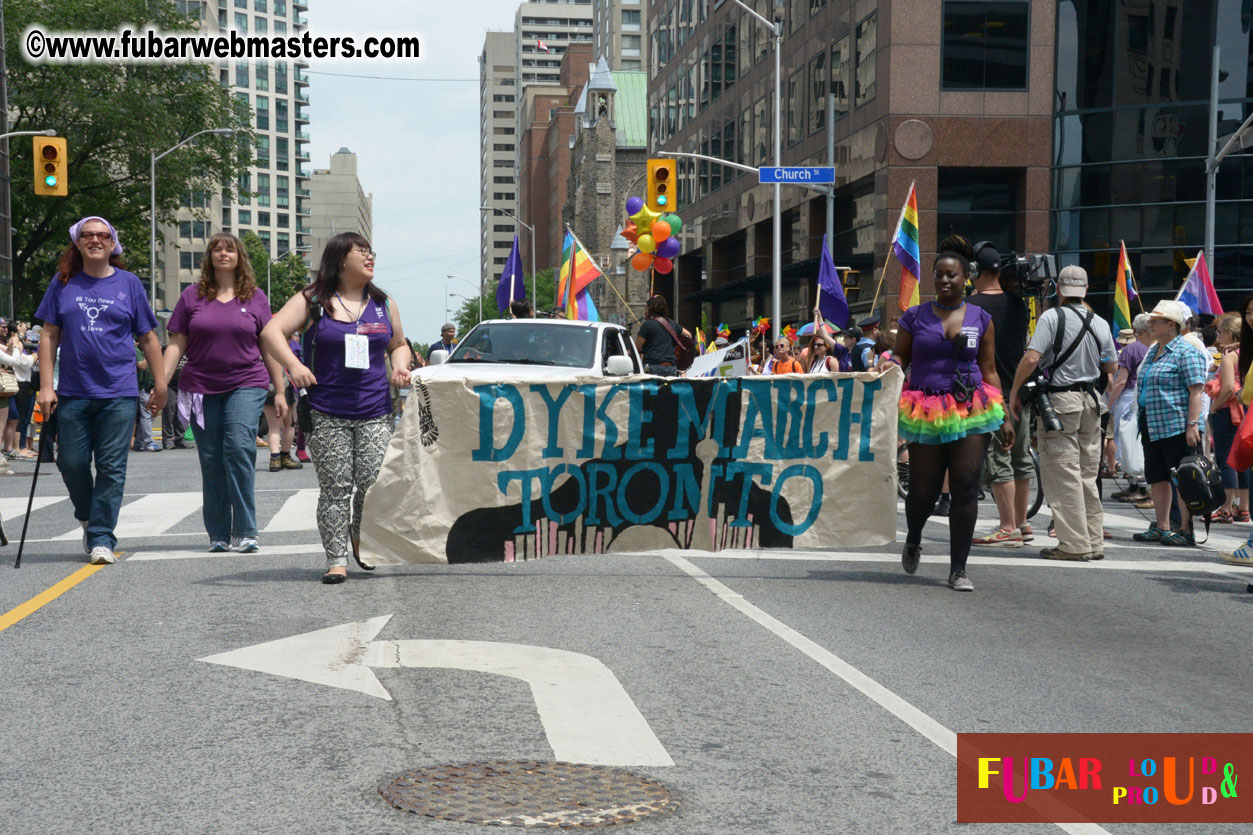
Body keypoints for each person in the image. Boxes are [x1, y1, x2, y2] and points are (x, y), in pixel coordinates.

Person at [261, 233, 412, 584]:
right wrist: (294, 366)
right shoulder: (313, 300)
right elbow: (271, 332)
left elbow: (398, 344)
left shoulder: (384, 303)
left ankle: (360, 536)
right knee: (335, 487)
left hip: (375, 409)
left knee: (373, 483)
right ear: (341, 260)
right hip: (327, 410)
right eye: (362, 252)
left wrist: (401, 366)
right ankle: (336, 558)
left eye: (371, 252)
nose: (370, 257)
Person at [35, 216, 164, 565]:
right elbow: (49, 335)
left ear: (112, 243)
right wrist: (46, 386)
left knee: (111, 468)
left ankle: (102, 536)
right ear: (78, 242)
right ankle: (89, 518)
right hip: (74, 392)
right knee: (71, 462)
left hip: (119, 393)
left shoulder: (130, 284)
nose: (95, 240)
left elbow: (149, 338)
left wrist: (161, 384)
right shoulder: (63, 283)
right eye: (88, 235)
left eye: (102, 235)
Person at [896, 235, 1011, 592]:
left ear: (966, 279)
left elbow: (989, 369)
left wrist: (1005, 413)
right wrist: (882, 368)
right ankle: (914, 535)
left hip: (971, 407)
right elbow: (900, 358)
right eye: (939, 275)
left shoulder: (981, 318)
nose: (945, 281)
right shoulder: (913, 317)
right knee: (923, 492)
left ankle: (958, 569)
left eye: (952, 276)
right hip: (926, 408)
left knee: (965, 484)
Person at [162, 233, 288, 553]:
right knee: (211, 458)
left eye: (229, 249)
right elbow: (176, 344)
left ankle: (246, 530)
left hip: (247, 381)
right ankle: (218, 533)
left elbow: (268, 346)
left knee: (237, 447)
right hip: (200, 386)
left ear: (239, 257)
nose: (223, 253)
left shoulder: (255, 297)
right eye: (217, 249)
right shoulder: (192, 296)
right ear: (209, 258)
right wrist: (161, 384)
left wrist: (281, 391)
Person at [1008, 266, 1116, 560]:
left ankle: (1073, 545)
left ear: (1058, 289)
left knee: (1063, 473)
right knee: (1086, 476)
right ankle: (1093, 543)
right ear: (1086, 289)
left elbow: (1032, 358)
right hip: (1091, 404)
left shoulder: (1051, 317)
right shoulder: (1101, 323)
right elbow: (1110, 367)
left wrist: (1015, 393)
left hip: (1060, 402)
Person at [965, 243, 1034, 547]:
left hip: (990, 392)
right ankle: (1023, 522)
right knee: (1021, 458)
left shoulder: (971, 307)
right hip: (1019, 390)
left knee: (999, 458)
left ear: (973, 272)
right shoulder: (1019, 305)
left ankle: (1007, 526)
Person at [1123, 300, 1206, 547]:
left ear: (1172, 325)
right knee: (1157, 476)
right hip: (1152, 423)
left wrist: (1192, 425)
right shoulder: (1155, 350)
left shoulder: (1185, 351)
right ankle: (1162, 525)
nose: (1151, 324)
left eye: (1156, 321)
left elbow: (1196, 391)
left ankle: (1185, 529)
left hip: (1175, 424)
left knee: (1182, 479)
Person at [1106, 315, 1152, 504]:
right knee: (1136, 443)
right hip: (1146, 397)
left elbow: (1121, 381)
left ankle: (1139, 486)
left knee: (1126, 441)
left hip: (1128, 398)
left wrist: (1108, 405)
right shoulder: (1155, 347)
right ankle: (1135, 484)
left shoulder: (1131, 349)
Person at [1208, 311, 1247, 523]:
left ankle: (1226, 507)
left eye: (1220, 332)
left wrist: (1214, 406)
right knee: (1243, 460)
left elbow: (1229, 388)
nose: (1217, 335)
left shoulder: (1229, 356)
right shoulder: (1245, 353)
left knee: (1226, 459)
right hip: (1245, 408)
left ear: (1230, 335)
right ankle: (1244, 507)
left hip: (1228, 409)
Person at [634, 295, 691, 377]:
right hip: (671, 369)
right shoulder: (672, 324)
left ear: (650, 309)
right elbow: (688, 335)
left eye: (646, 309)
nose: (645, 312)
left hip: (653, 368)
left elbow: (636, 348)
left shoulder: (647, 325)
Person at [0, 327, 35, 459]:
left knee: (13, 417)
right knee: (6, 420)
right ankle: (11, 449)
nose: (5, 329)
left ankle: (8, 451)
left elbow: (8, 357)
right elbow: (15, 361)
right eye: (2, 326)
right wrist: (15, 346)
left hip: (5, 389)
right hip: (4, 387)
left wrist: (11, 346)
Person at [131, 339, 162, 452]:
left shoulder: (144, 350)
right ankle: (149, 442)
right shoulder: (137, 350)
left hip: (149, 386)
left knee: (147, 415)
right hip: (140, 387)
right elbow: (142, 365)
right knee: (147, 414)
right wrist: (153, 352)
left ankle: (139, 443)